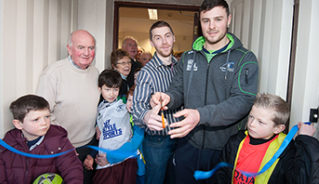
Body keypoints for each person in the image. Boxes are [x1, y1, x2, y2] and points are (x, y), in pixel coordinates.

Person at [150, 0, 259, 183]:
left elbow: (242, 102)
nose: (212, 26)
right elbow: (178, 90)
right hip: (188, 143)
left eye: (218, 19)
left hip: (224, 148)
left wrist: (200, 115)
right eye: (206, 20)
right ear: (200, 22)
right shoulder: (188, 56)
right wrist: (168, 97)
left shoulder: (245, 58)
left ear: (229, 19)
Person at [36, 29, 100, 183]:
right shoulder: (53, 73)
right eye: (80, 47)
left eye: (91, 48)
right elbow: (42, 114)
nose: (86, 53)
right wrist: (62, 144)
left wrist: (99, 123)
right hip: (63, 148)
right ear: (69, 49)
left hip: (89, 145)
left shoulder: (95, 72)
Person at [214, 93, 319, 184]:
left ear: (278, 128)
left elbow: (301, 178)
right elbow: (221, 173)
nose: (252, 124)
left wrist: (306, 140)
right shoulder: (236, 141)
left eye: (261, 122)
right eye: (251, 117)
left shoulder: (285, 150)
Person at [0, 95, 83, 183]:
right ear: (18, 124)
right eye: (36, 119)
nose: (44, 123)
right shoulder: (4, 147)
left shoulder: (60, 142)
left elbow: (73, 171)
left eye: (47, 117)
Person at [132, 20, 181, 184]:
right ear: (152, 43)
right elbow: (138, 107)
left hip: (181, 137)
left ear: (174, 38)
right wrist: (146, 117)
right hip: (158, 142)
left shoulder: (180, 67)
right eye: (158, 38)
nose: (165, 42)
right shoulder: (147, 72)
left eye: (167, 36)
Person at [88, 69, 138, 184]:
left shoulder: (124, 105)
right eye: (107, 89)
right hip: (104, 160)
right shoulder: (99, 107)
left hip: (125, 159)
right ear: (99, 89)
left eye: (115, 89)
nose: (112, 93)